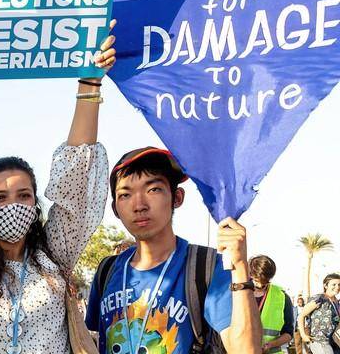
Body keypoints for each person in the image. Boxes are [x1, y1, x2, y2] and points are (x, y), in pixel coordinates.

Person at [0, 25, 116, 353]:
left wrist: (90, 81)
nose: (12, 205)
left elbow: (76, 175)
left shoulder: (55, 253)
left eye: (23, 196)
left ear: (35, 205)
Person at [85, 147, 262, 353]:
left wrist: (239, 266)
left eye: (153, 189)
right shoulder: (107, 271)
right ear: (115, 208)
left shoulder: (206, 267)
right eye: (125, 194)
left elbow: (246, 350)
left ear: (177, 197)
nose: (139, 205)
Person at [250, 255, 294, 353]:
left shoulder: (282, 297)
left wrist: (271, 345)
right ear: (250, 274)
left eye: (265, 281)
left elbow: (288, 333)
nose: (260, 285)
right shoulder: (238, 294)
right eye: (257, 280)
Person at [298, 274, 340, 354]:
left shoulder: (337, 302)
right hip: (319, 341)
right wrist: (303, 335)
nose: (337, 287)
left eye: (339, 284)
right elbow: (301, 315)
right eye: (334, 284)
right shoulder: (319, 299)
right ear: (325, 286)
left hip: (334, 341)